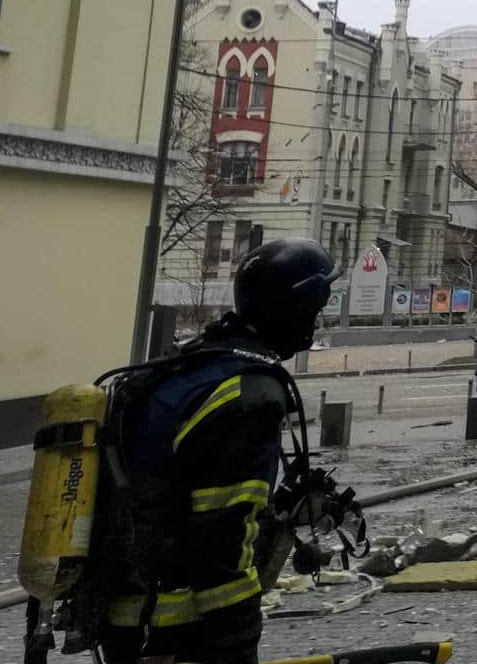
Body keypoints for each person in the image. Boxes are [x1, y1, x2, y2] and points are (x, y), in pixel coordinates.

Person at [98, 239, 336, 664]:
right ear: (293, 310)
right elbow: (221, 534)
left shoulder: (199, 362)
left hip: (128, 609)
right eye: (315, 311)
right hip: (178, 626)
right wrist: (238, 636)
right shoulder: (250, 394)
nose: (316, 322)